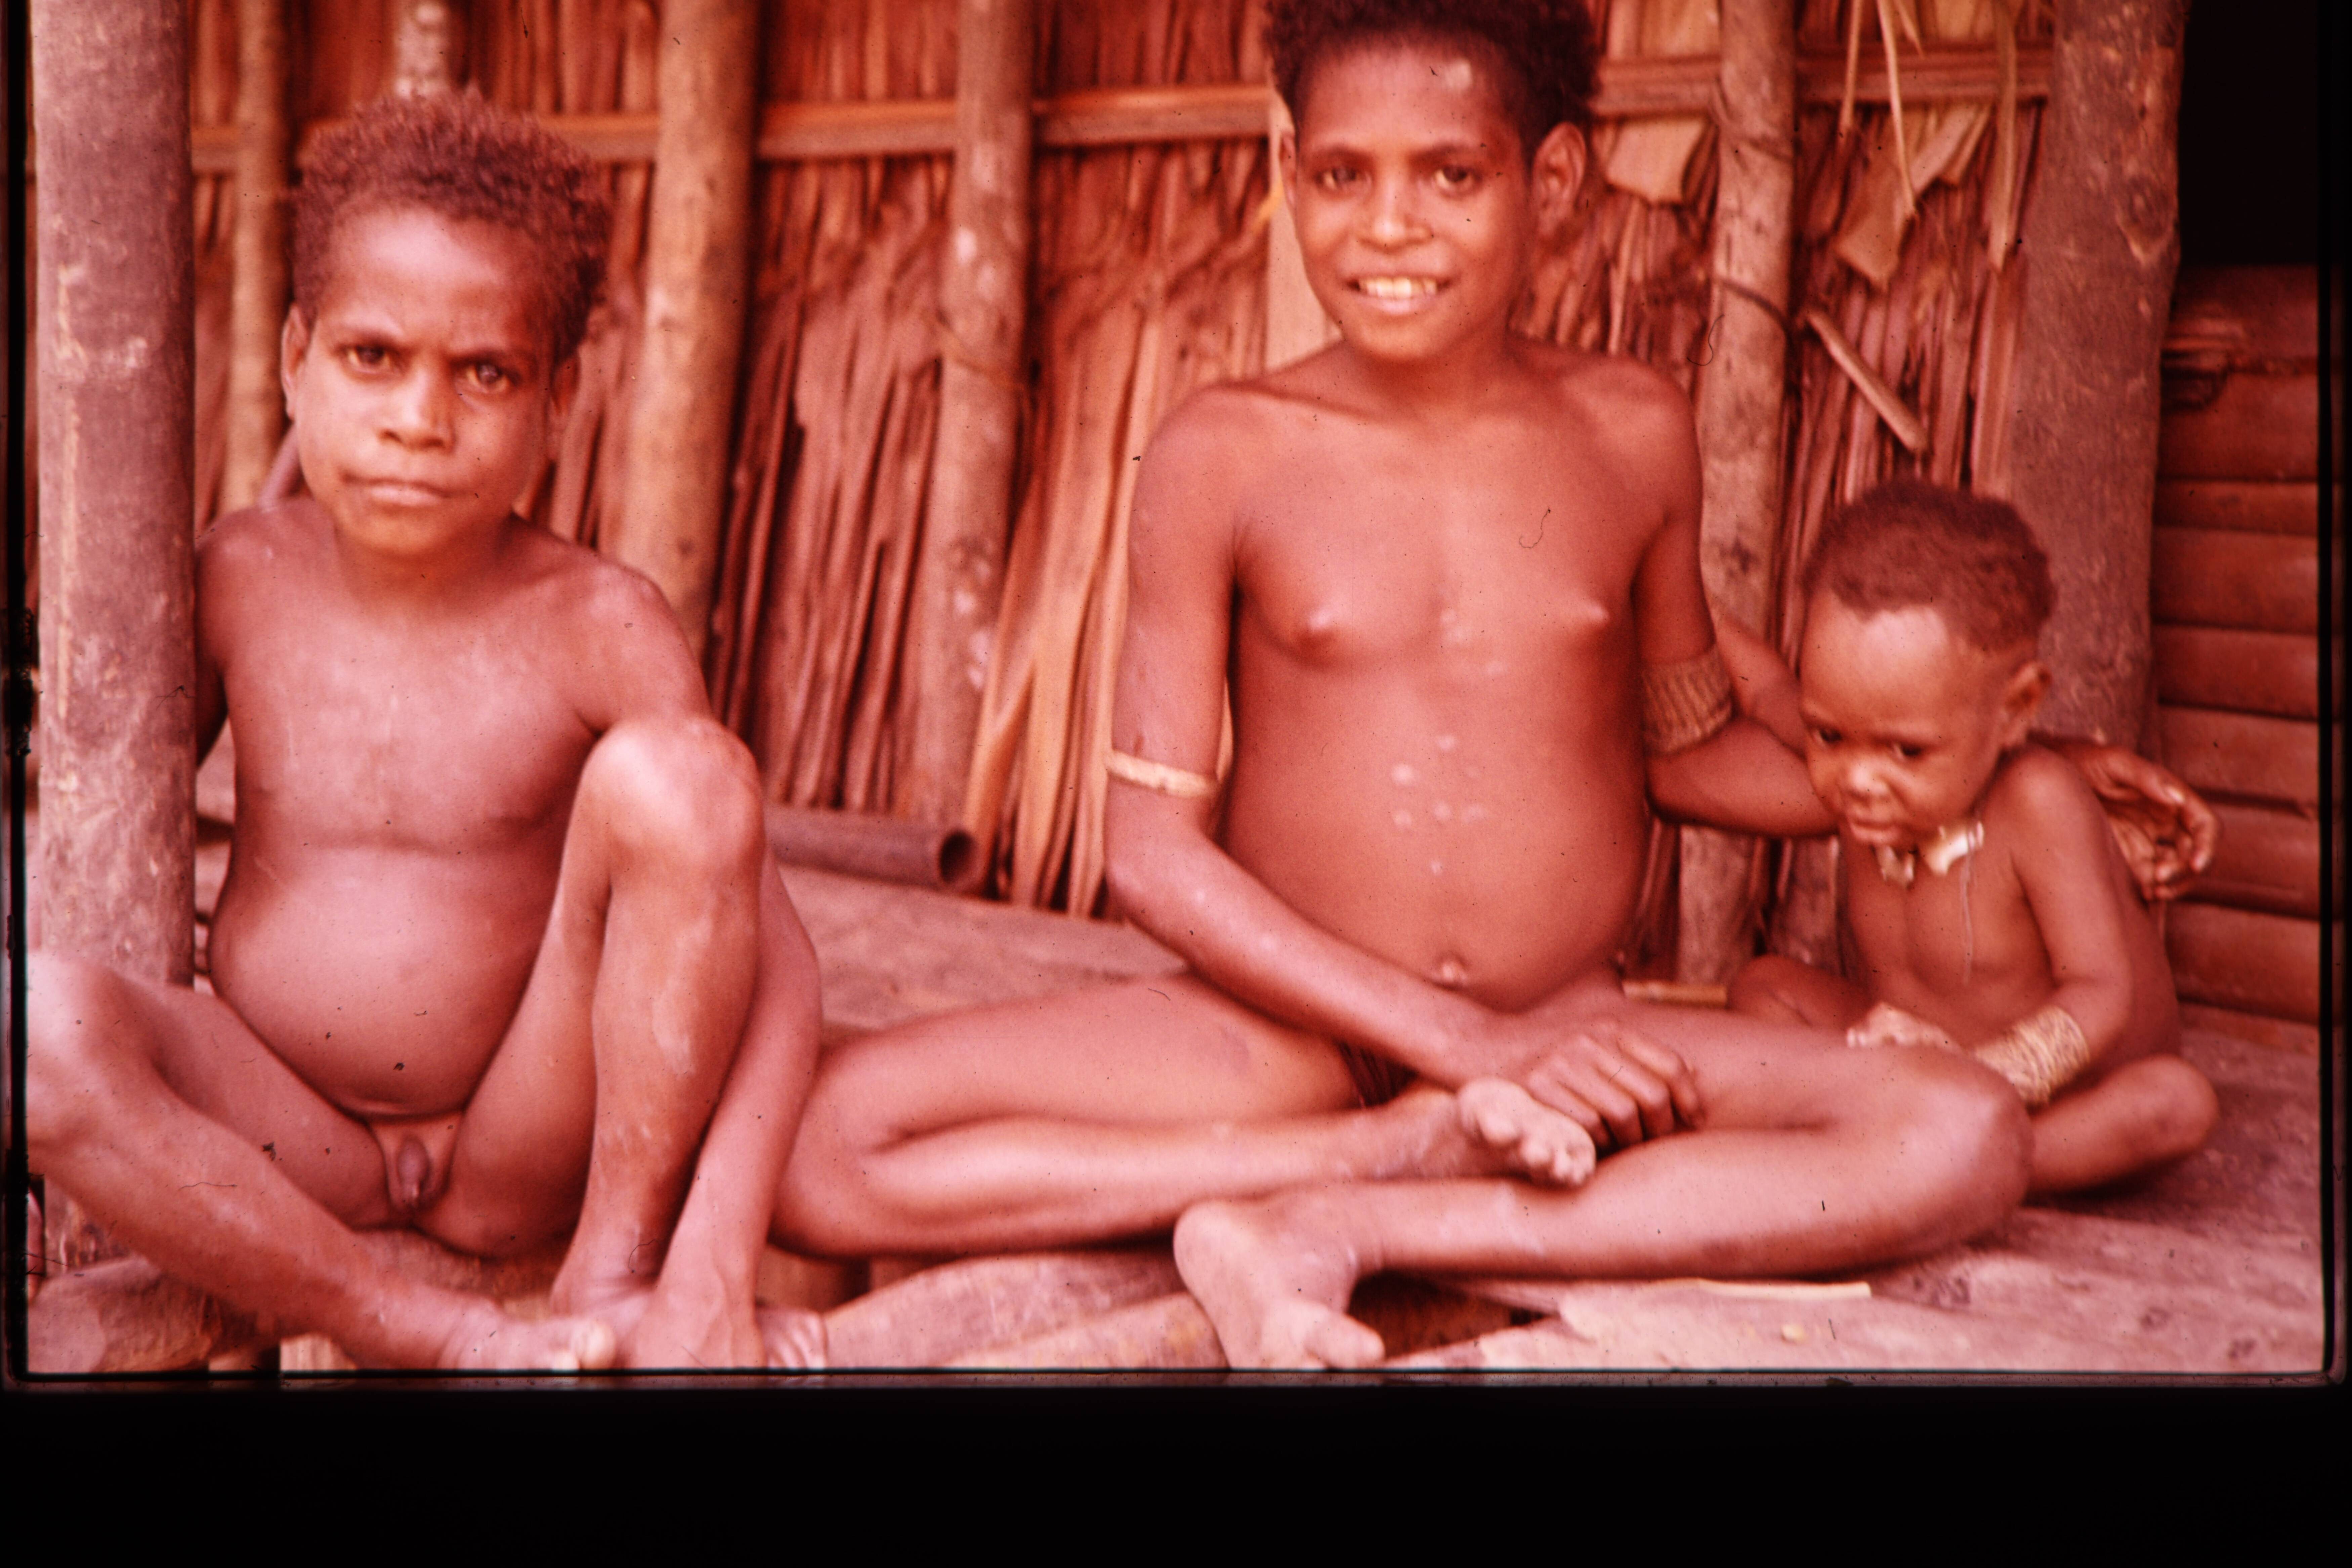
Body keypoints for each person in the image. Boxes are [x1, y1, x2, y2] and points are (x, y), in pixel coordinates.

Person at [770, 0, 2212, 1366]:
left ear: (1556, 180)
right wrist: (1464, 1052)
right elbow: (1149, 852)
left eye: (1451, 176)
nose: (1389, 226)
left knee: (1964, 1130)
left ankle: (1346, 1226)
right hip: (1290, 1041)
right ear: (1288, 169)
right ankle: (1370, 1158)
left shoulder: (1633, 432)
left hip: (1577, 1032)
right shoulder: (1221, 452)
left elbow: (1687, 750)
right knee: (833, 1144)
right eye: (1343, 175)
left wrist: (1986, 775)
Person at [25, 94, 824, 1370]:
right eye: (372, 356)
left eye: (485, 373)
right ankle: (409, 1321)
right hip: (283, 1120)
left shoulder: (600, 621)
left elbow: (769, 959)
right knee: (37, 1030)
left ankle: (611, 1267)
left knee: (686, 779)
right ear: (295, 360)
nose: (419, 419)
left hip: (523, 1141)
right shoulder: (233, 579)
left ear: (558, 403)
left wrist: (712, 1262)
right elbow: (87, 805)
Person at [1727, 482, 2218, 1196]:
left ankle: (1963, 1162)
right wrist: (1693, 602)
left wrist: (1980, 1076)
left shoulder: (2037, 800)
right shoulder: (1860, 762)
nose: (1858, 779)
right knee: (1765, 989)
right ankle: (1907, 1138)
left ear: (2017, 709)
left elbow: (2102, 994)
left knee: (2175, 1101)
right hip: (1919, 1065)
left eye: (1906, 751)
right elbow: (1767, 692)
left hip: (2051, 1095)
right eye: (1828, 736)